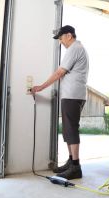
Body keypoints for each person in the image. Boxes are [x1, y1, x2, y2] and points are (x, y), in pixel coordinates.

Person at [31, 25, 89, 180]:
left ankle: (76, 167)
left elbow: (59, 72)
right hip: (73, 94)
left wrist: (41, 87)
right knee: (68, 130)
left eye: (61, 38)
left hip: (72, 95)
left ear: (69, 35)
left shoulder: (74, 49)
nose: (61, 42)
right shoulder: (78, 48)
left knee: (71, 129)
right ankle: (71, 162)